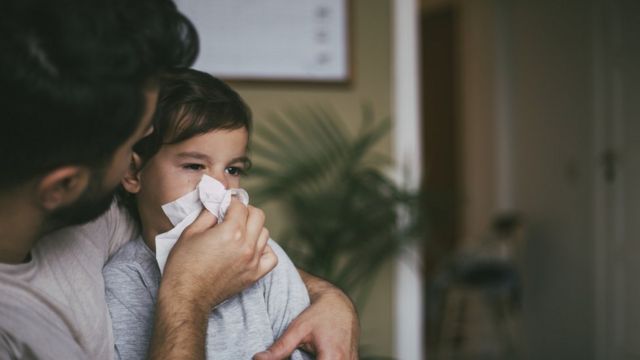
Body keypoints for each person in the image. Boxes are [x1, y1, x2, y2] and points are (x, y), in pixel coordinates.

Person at [0, 0, 359, 359]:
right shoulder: (19, 331)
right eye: (131, 145)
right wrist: (189, 292)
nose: (215, 188)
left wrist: (333, 299)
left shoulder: (97, 213)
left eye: (233, 169)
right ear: (65, 185)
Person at [104, 69, 312, 360]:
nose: (219, 187)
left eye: (233, 170)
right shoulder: (124, 281)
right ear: (133, 172)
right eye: (194, 166)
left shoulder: (263, 258)